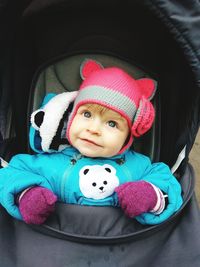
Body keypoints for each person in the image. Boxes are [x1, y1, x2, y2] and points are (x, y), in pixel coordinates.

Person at [0, 59, 183, 225]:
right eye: (86, 114)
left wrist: (150, 195)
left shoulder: (140, 167)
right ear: (71, 117)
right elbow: (11, 174)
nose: (94, 129)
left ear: (128, 137)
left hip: (120, 245)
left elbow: (167, 184)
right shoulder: (48, 161)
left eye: (112, 123)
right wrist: (28, 194)